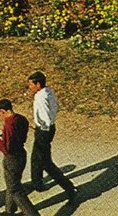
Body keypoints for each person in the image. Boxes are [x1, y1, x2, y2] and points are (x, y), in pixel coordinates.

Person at [28, 71, 76, 202]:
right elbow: (55, 108)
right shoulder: (49, 92)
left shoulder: (40, 97)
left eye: (31, 85)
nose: (30, 88)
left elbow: (45, 117)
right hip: (49, 129)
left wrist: (40, 127)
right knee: (36, 158)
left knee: (45, 162)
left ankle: (69, 188)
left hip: (44, 130)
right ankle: (37, 183)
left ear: (38, 84)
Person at [0, 99, 40, 216]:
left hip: (11, 159)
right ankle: (9, 211)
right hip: (21, 154)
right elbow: (19, 136)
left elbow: (6, 149)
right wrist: (3, 133)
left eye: (0, 114)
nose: (0, 117)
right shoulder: (21, 119)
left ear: (3, 111)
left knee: (15, 190)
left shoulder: (9, 124)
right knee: (12, 184)